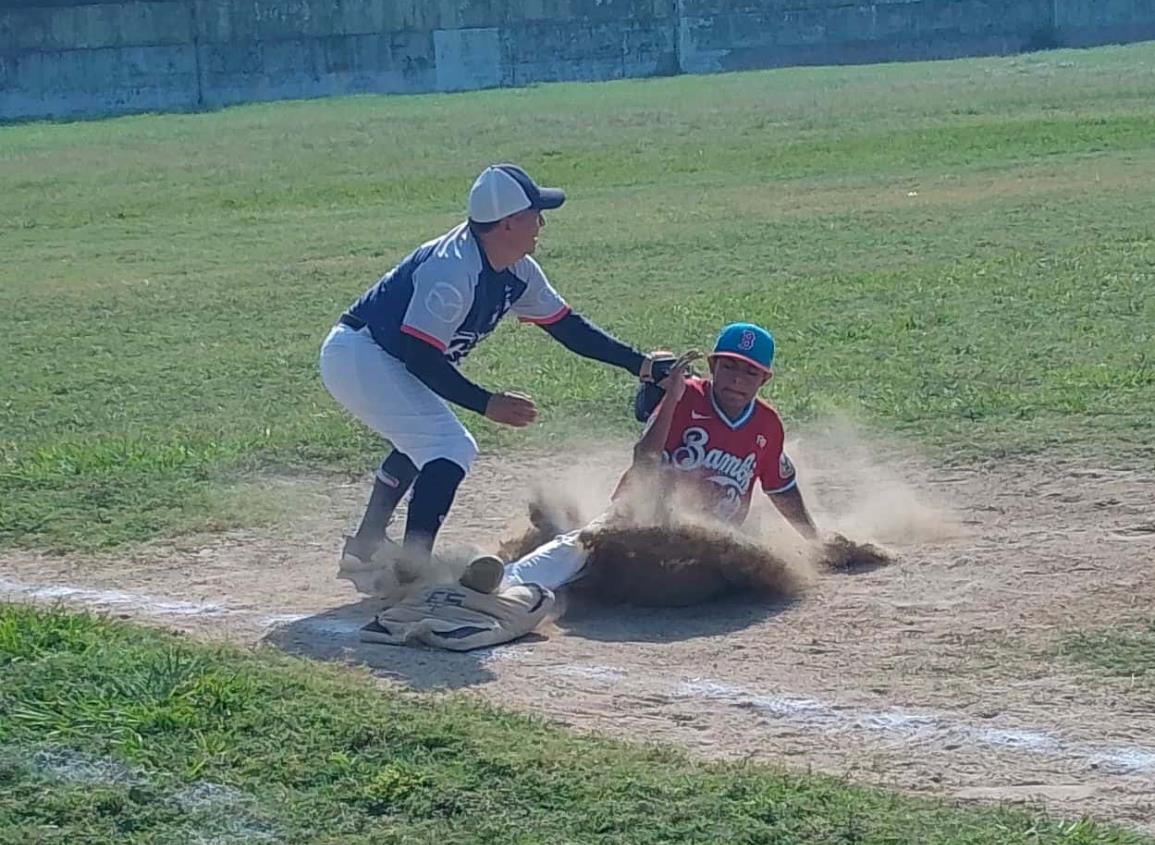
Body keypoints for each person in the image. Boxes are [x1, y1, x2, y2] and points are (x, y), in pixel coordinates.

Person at [319, 163, 661, 573]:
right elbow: (420, 357)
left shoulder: (516, 269)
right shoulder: (452, 270)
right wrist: (486, 403)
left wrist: (639, 364)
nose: (542, 222)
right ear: (509, 223)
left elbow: (568, 327)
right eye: (536, 213)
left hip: (382, 356)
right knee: (449, 446)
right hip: (360, 355)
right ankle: (412, 571)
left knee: (425, 438)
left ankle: (368, 545)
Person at [462, 322, 820, 594]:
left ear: (764, 379)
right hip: (641, 514)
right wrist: (673, 400)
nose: (736, 380)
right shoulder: (688, 396)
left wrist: (813, 540)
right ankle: (507, 584)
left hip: (711, 542)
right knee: (588, 545)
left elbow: (781, 485)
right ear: (713, 366)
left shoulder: (767, 423)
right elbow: (645, 457)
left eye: (749, 372)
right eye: (728, 366)